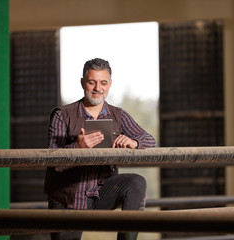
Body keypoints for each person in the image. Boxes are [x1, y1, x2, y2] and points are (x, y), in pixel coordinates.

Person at [44, 58, 156, 240]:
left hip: (102, 192)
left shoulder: (118, 115)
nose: (98, 88)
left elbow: (150, 141)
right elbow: (51, 161)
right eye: (92, 82)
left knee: (136, 183)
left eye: (103, 83)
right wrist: (77, 148)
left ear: (110, 84)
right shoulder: (62, 115)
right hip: (68, 199)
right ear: (82, 83)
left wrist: (134, 142)